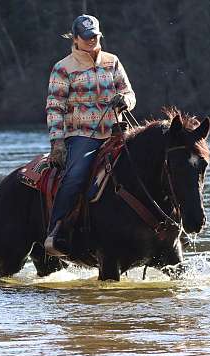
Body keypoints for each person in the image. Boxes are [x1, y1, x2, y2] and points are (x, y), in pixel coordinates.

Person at [44, 14, 136, 256]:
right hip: (81, 135)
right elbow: (55, 108)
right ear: (75, 38)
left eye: (95, 36)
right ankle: (57, 231)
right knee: (75, 176)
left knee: (147, 162)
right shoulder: (63, 68)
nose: (92, 40)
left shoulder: (112, 61)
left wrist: (125, 100)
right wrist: (57, 143)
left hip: (116, 131)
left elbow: (129, 92)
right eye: (86, 37)